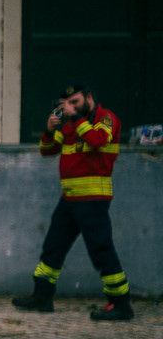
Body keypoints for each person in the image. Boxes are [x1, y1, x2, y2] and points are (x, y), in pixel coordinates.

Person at [11, 83, 132, 321]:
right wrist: (48, 131)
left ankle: (121, 304)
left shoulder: (106, 118)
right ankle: (42, 296)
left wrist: (75, 117)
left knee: (101, 251)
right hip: (69, 199)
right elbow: (47, 151)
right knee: (53, 248)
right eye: (66, 104)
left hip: (93, 199)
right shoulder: (69, 124)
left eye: (75, 102)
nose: (69, 107)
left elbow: (97, 140)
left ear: (89, 97)